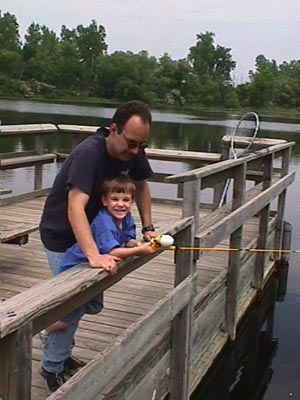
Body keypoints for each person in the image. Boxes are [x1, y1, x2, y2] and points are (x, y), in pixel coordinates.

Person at [39, 100, 157, 391]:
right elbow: (75, 207)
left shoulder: (134, 150)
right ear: (113, 129)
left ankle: (58, 348)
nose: (135, 152)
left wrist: (148, 228)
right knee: (70, 305)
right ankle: (51, 366)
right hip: (62, 237)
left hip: (97, 236)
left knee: (87, 304)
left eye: (141, 145)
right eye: (131, 143)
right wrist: (93, 256)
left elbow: (141, 184)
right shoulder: (88, 154)